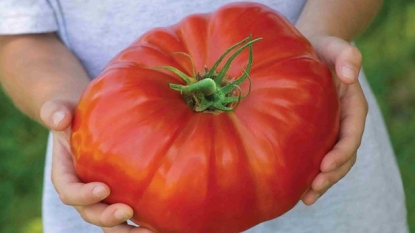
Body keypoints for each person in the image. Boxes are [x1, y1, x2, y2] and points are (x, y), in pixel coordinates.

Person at [0, 0, 408, 233]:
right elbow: (18, 33)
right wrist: (71, 110)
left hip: (327, 178)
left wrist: (315, 43)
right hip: (115, 187)